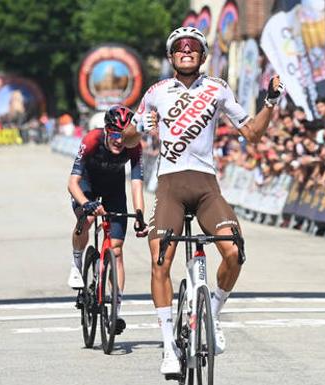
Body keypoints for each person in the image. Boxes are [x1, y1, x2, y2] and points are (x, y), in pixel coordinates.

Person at [120, 26, 285, 375]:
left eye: (193, 48)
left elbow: (252, 133)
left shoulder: (217, 88)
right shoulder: (157, 91)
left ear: (202, 55)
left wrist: (269, 102)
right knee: (159, 259)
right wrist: (138, 124)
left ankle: (212, 309)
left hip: (207, 186)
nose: (186, 52)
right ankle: (168, 346)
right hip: (169, 187)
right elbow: (125, 139)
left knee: (234, 251)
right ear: (170, 56)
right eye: (179, 48)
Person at [67, 105, 148, 335]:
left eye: (123, 136)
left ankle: (116, 310)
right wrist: (85, 204)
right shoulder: (92, 139)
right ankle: (76, 262)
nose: (119, 141)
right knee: (89, 219)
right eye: (114, 135)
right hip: (87, 186)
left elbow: (136, 183)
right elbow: (72, 182)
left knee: (117, 250)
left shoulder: (133, 146)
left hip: (114, 191)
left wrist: (140, 214)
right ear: (105, 131)